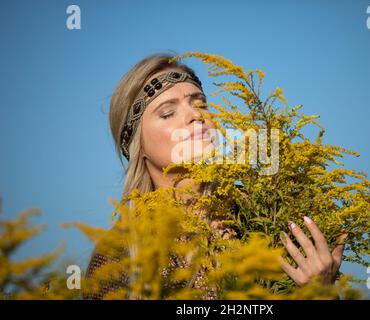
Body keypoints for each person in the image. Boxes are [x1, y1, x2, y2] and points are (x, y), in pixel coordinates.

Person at [84, 53, 347, 299]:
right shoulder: (121, 254)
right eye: (167, 113)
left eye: (201, 104)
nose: (196, 116)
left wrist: (319, 291)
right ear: (138, 146)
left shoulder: (269, 215)